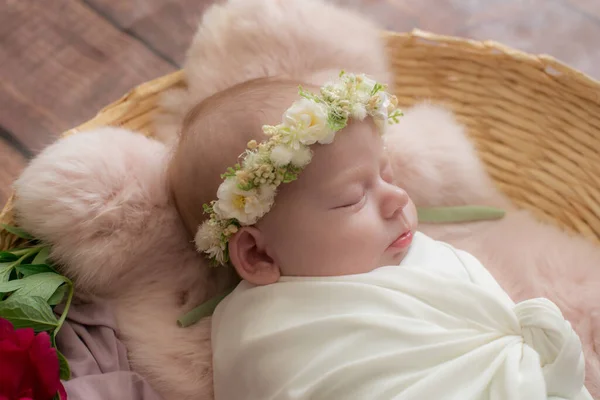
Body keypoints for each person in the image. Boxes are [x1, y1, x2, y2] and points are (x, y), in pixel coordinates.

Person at [168, 72, 591, 400]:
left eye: (386, 175)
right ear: (258, 254)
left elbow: (486, 328)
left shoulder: (421, 256)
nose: (397, 198)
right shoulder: (266, 335)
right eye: (352, 199)